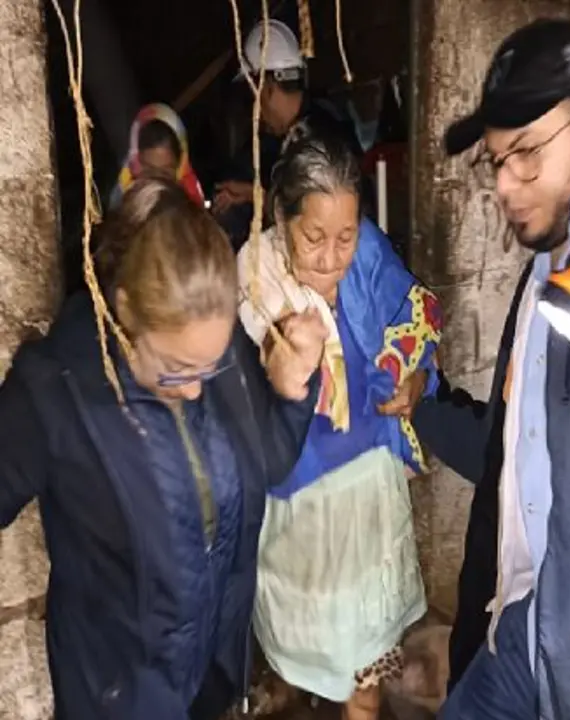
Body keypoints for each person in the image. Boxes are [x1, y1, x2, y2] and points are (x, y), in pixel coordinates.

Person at [0, 177, 324, 719]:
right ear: (126, 311)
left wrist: (291, 393)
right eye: (175, 372)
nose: (197, 389)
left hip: (210, 682)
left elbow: (266, 465)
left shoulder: (214, 349)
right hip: (121, 699)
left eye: (210, 366)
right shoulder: (56, 394)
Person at [410, 18, 570, 718]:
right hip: (521, 633)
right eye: (497, 160)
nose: (507, 183)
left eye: (528, 152)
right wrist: (423, 404)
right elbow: (516, 448)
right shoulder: (543, 275)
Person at [237, 122, 442, 720]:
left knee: (365, 677)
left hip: (368, 509)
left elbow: (418, 325)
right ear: (281, 218)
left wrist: (415, 381)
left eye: (346, 237)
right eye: (314, 237)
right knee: (301, 661)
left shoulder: (371, 255)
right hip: (299, 517)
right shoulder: (253, 281)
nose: (332, 258)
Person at [214, 19, 366, 247]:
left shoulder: (310, 140)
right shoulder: (323, 119)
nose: (256, 109)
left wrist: (256, 196)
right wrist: (252, 194)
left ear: (267, 89)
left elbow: (312, 219)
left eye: (253, 95)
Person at [109, 103, 207, 209]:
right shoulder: (121, 200)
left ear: (180, 165)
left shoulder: (193, 204)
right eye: (149, 172)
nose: (157, 183)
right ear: (136, 162)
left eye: (165, 173)